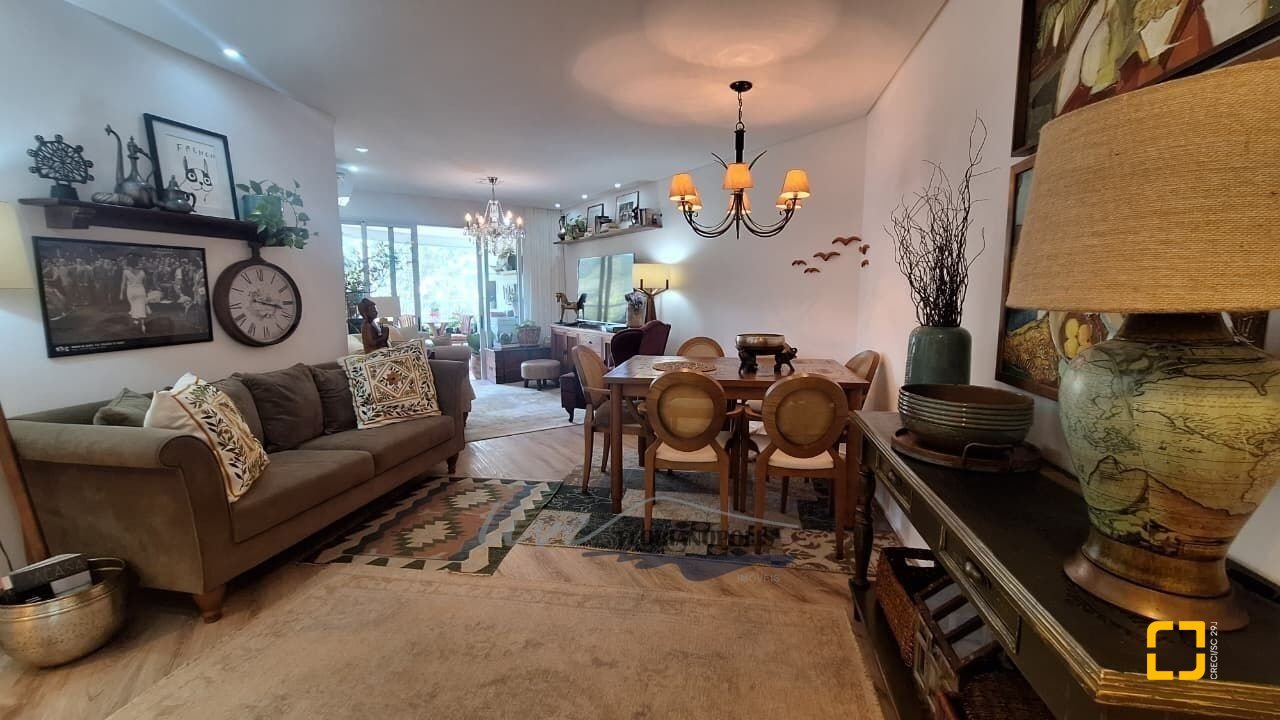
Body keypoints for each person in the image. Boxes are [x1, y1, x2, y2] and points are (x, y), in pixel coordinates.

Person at [121, 254, 149, 334]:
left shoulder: (125, 272)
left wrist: (121, 294)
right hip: (141, 291)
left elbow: (123, 283)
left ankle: (136, 320)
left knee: (134, 306)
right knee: (141, 308)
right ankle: (142, 324)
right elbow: (145, 283)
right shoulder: (142, 272)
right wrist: (146, 292)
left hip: (131, 292)